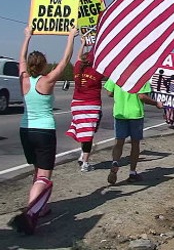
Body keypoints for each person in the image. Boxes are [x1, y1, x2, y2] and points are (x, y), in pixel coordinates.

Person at [9, 25, 78, 235]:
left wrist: (27, 37)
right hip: (44, 131)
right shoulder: (47, 81)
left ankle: (42, 206)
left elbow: (20, 57)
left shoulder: (23, 80)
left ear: (28, 65)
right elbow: (66, 61)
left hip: (25, 130)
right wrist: (70, 38)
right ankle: (30, 214)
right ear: (44, 65)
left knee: (37, 170)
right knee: (44, 176)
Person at [104, 79, 163, 184]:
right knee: (135, 143)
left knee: (119, 141)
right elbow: (142, 96)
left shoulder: (116, 73)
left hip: (120, 112)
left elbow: (109, 93)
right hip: (135, 114)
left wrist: (120, 94)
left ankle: (115, 162)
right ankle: (132, 172)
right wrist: (156, 103)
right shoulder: (140, 76)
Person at [65, 37, 105, 172]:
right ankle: (85, 162)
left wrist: (82, 44)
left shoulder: (77, 68)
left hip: (76, 104)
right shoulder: (97, 71)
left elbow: (77, 57)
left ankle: (83, 155)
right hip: (91, 104)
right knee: (89, 132)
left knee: (83, 129)